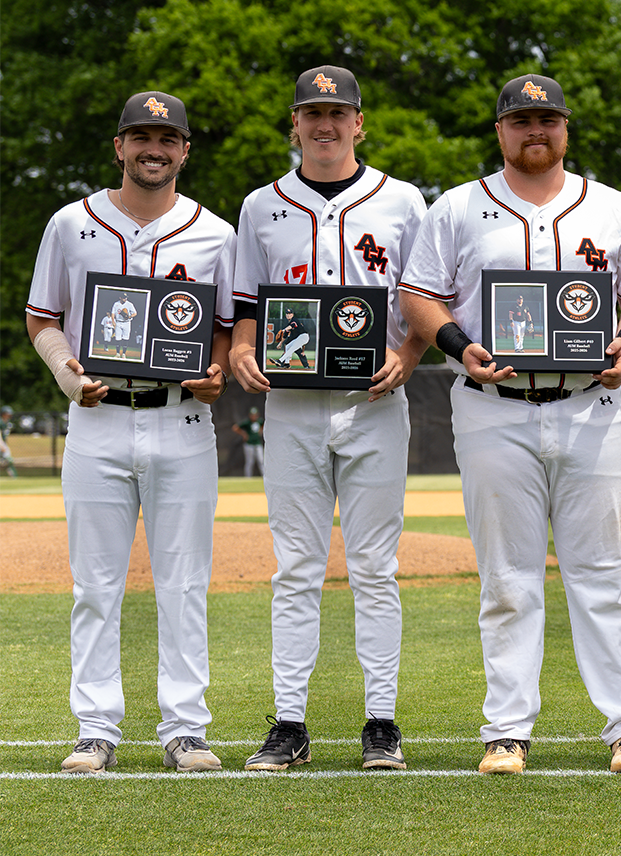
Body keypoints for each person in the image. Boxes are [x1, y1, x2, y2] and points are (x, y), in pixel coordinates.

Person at [398, 73, 621, 775]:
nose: (534, 131)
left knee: (601, 573)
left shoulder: (609, 207)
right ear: (501, 131)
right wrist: (460, 348)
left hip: (590, 406)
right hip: (492, 407)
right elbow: (419, 292)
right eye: (521, 121)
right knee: (507, 578)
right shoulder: (457, 208)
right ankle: (507, 729)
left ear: (566, 129)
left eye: (547, 120)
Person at [25, 90, 235, 774]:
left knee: (184, 584)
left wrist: (218, 369)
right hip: (97, 420)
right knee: (94, 584)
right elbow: (42, 319)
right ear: (119, 145)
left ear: (184, 150)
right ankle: (95, 728)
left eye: (167, 138)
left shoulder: (215, 232)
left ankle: (185, 729)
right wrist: (66, 375)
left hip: (182, 419)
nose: (154, 148)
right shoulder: (69, 222)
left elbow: (230, 329)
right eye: (141, 136)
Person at [226, 66, 429, 771]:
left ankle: (381, 721)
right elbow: (246, 305)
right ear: (295, 123)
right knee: (296, 568)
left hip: (375, 401)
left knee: (376, 567)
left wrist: (407, 353)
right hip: (291, 406)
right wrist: (245, 349)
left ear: (359, 123)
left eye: (337, 112)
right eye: (312, 112)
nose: (325, 124)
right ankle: (289, 722)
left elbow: (425, 299)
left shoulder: (403, 200)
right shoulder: (261, 204)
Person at [230, 407, 264, 477]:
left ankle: (264, 476)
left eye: (255, 415)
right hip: (249, 444)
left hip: (258, 443)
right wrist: (243, 434)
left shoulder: (260, 421)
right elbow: (235, 427)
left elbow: (264, 425)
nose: (254, 417)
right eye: (252, 415)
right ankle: (248, 477)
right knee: (250, 461)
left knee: (261, 460)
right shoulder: (247, 422)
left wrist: (261, 431)